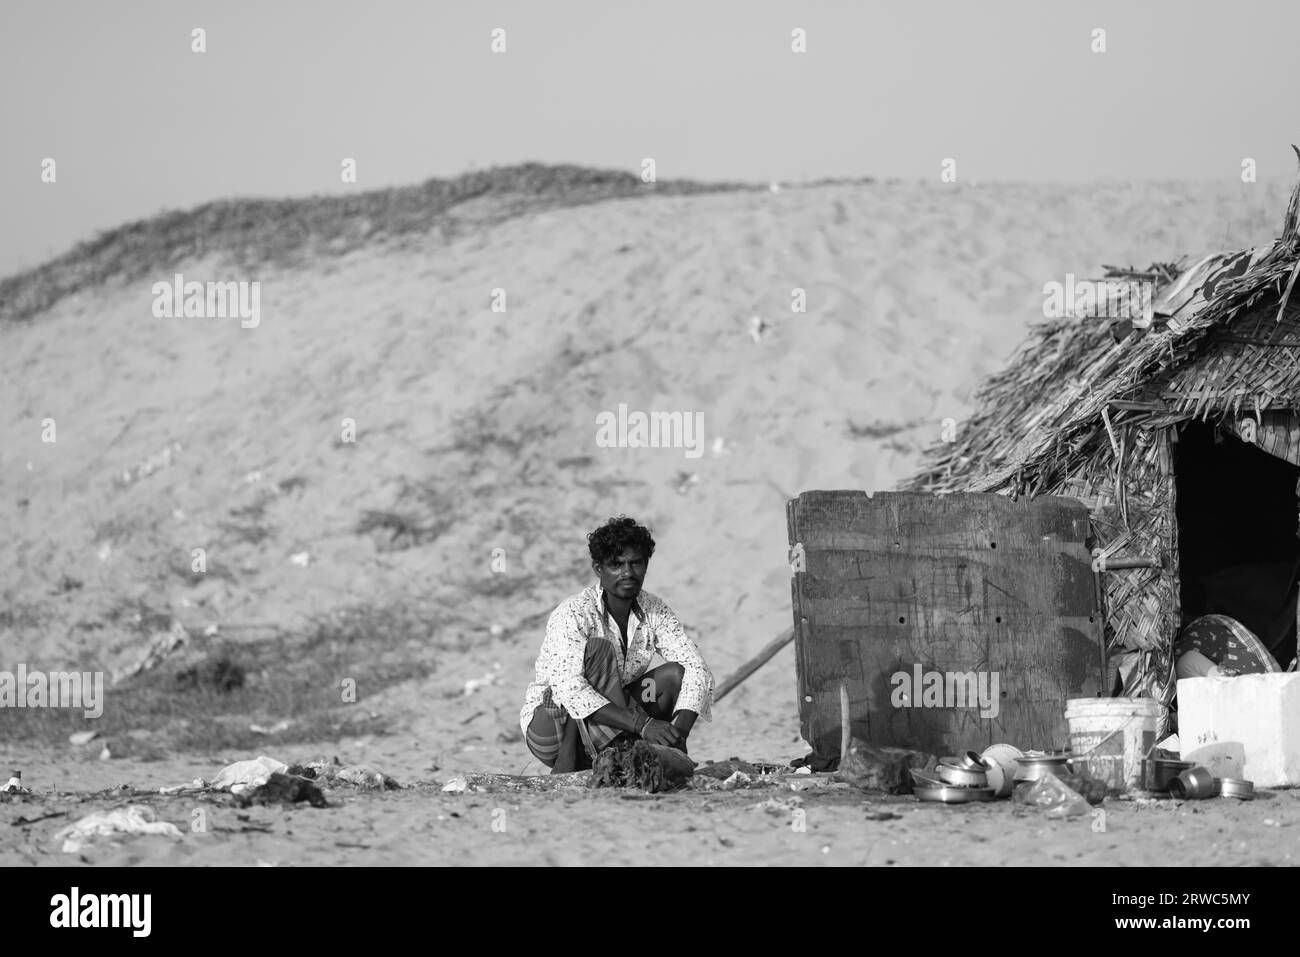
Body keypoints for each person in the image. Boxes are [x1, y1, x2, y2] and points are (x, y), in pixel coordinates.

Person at [519, 516, 713, 772]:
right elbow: (569, 688)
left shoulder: (655, 610)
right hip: (552, 729)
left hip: (612, 724)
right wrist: (643, 725)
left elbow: (697, 668)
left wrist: (676, 736)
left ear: (646, 565)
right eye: (616, 564)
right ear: (599, 569)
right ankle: (569, 765)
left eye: (636, 563)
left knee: (676, 675)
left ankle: (657, 754)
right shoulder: (574, 612)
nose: (628, 573)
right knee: (598, 652)